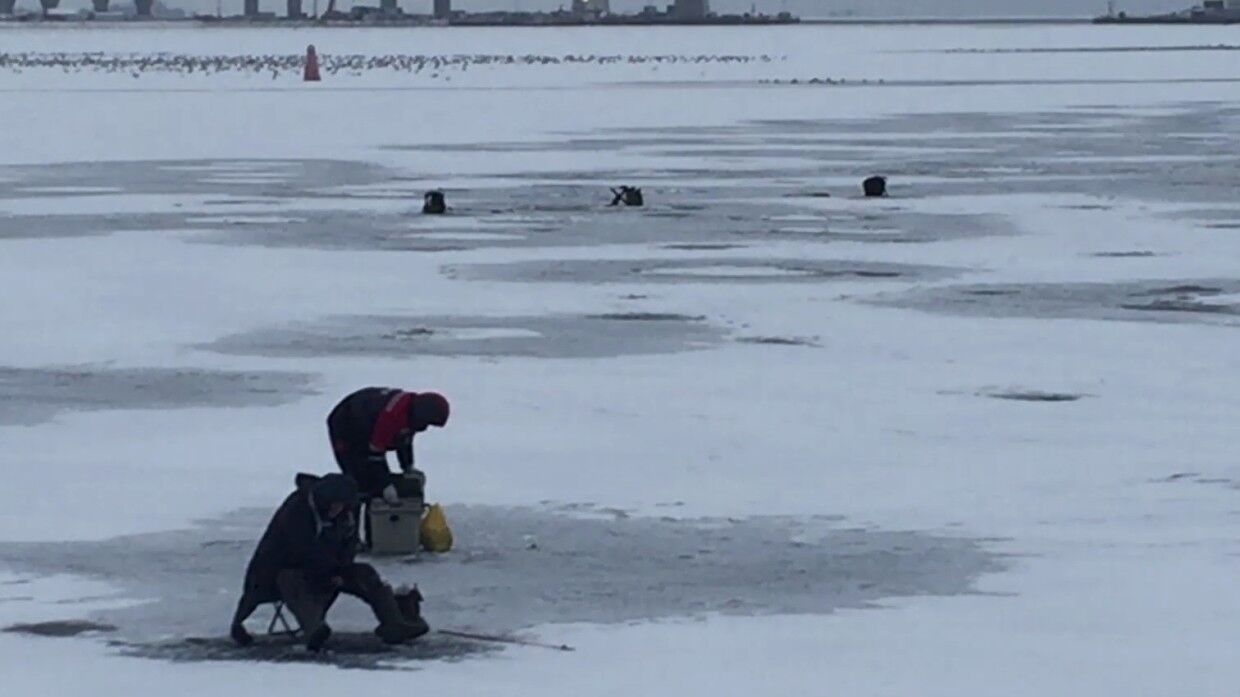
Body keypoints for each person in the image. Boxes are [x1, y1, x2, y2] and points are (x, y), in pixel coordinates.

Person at [229, 473, 429, 651]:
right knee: (290, 579)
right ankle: (314, 629)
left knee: (365, 573)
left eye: (341, 506)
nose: (336, 510)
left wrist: (341, 571)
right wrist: (330, 575)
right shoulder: (297, 508)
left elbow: (349, 545)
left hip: (330, 568)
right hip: (284, 571)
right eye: (334, 505)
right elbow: (302, 551)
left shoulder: (348, 512)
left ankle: (395, 623)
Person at [326, 388, 450, 503]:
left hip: (365, 421)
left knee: (375, 479)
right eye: (427, 423)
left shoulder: (410, 410)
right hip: (345, 425)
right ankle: (357, 516)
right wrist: (385, 485)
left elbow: (404, 440)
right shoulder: (391, 417)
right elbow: (375, 456)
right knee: (358, 477)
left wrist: (408, 466)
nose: (426, 428)